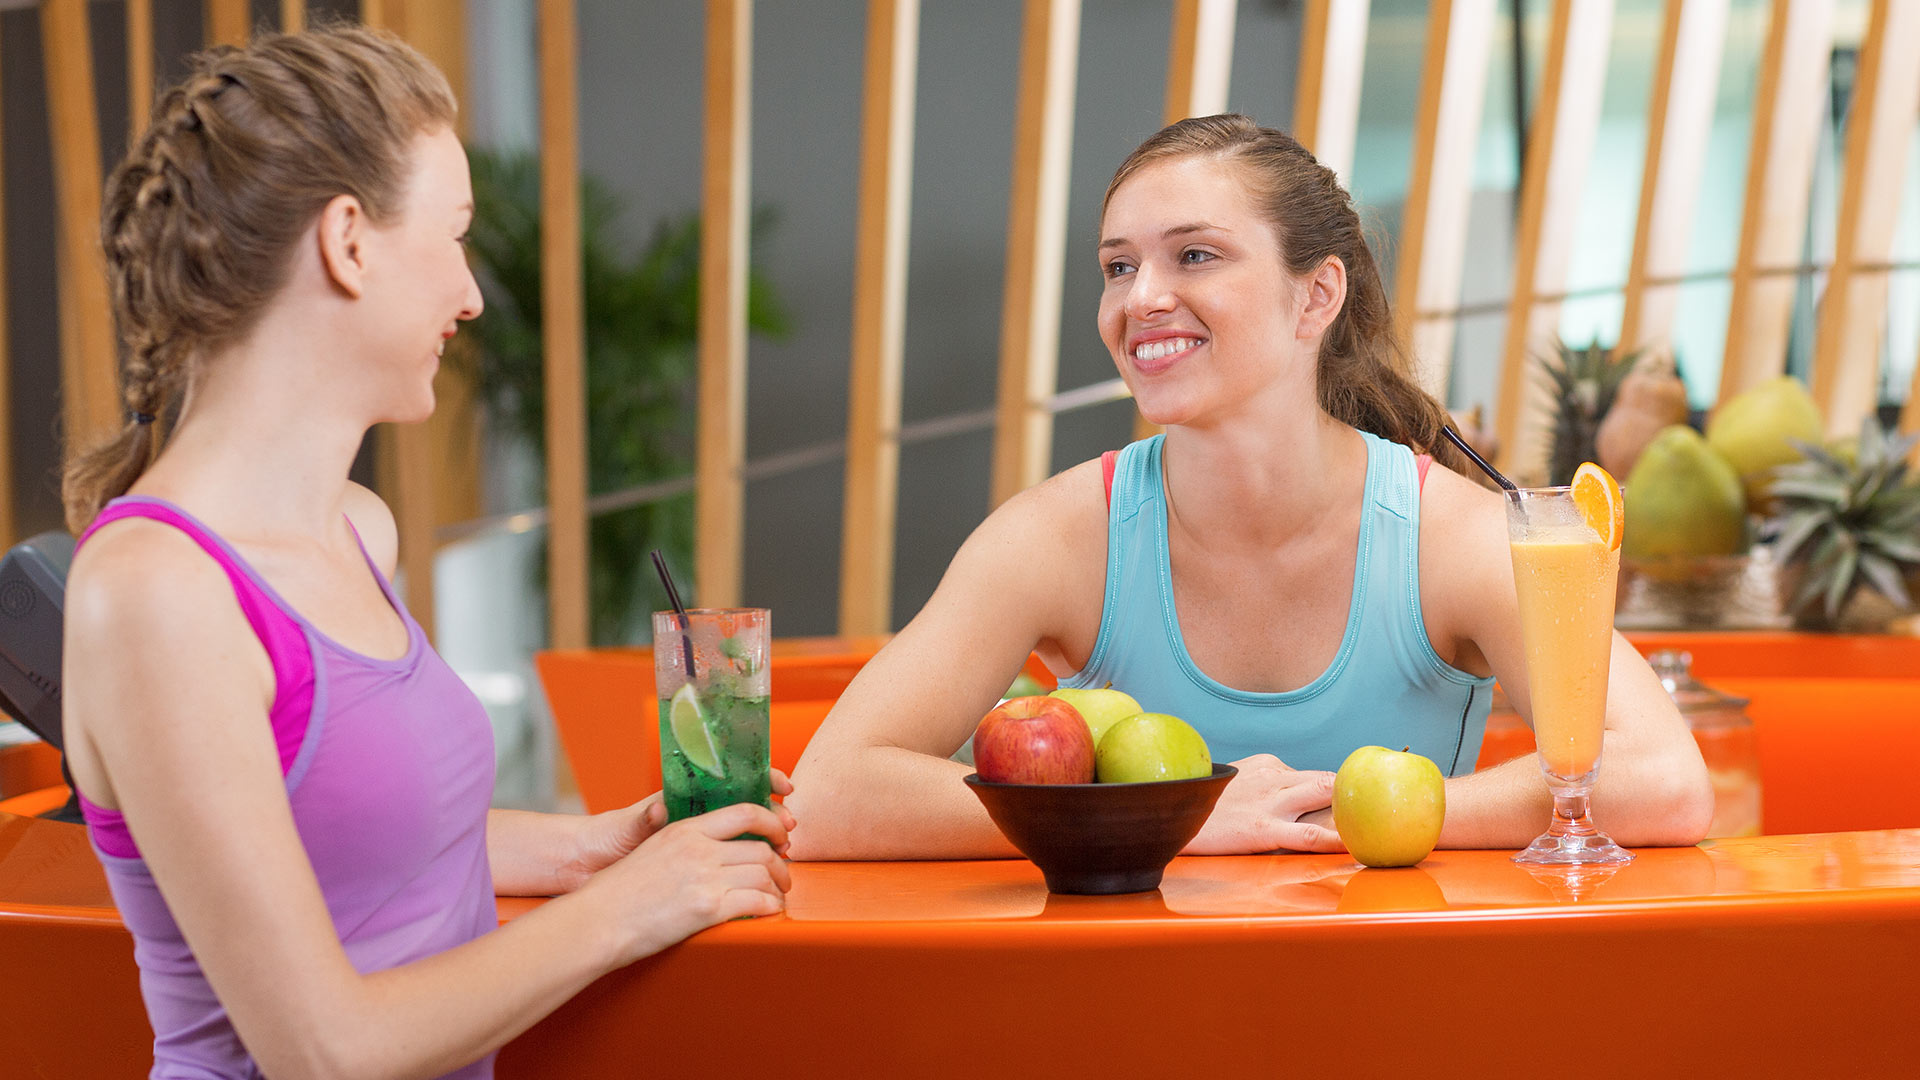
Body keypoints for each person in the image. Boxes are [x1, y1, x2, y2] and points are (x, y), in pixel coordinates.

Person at [60, 27, 792, 1080]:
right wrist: (628, 910)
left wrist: (596, 848)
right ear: (348, 241)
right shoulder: (154, 594)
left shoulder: (359, 529)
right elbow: (322, 1048)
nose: (472, 295)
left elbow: (359, 847)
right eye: (453, 237)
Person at [787, 115, 1712, 860]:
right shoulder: (1060, 535)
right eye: (1118, 266)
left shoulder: (1450, 535)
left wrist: (1325, 823)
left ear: (1316, 297)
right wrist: (1167, 821)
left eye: (1194, 256)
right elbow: (829, 795)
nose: (1139, 297)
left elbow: (1663, 779)